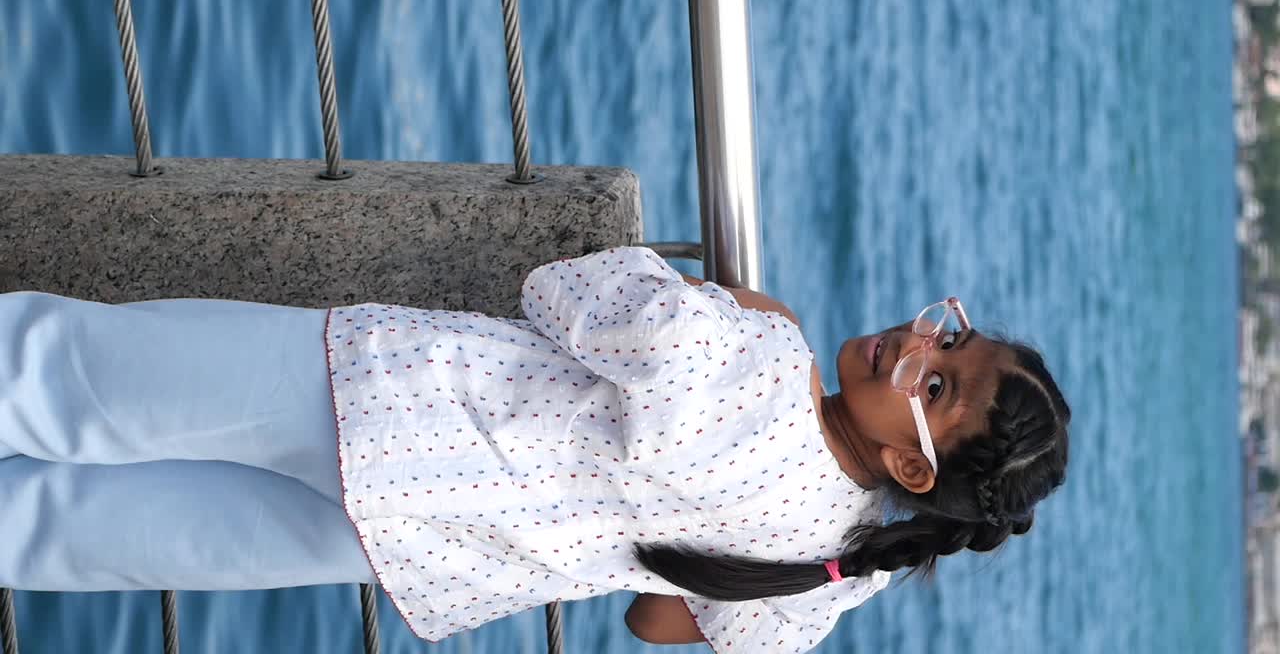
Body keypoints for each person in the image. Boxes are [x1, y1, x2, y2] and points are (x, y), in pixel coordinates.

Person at [0, 245, 1070, 653]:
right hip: (419, 548)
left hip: (381, 399)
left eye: (935, 383)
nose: (918, 344)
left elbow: (560, 292)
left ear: (912, 466)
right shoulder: (830, 571)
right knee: (86, 537)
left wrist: (730, 299)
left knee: (69, 376)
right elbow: (659, 620)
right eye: (951, 334)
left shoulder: (759, 354)